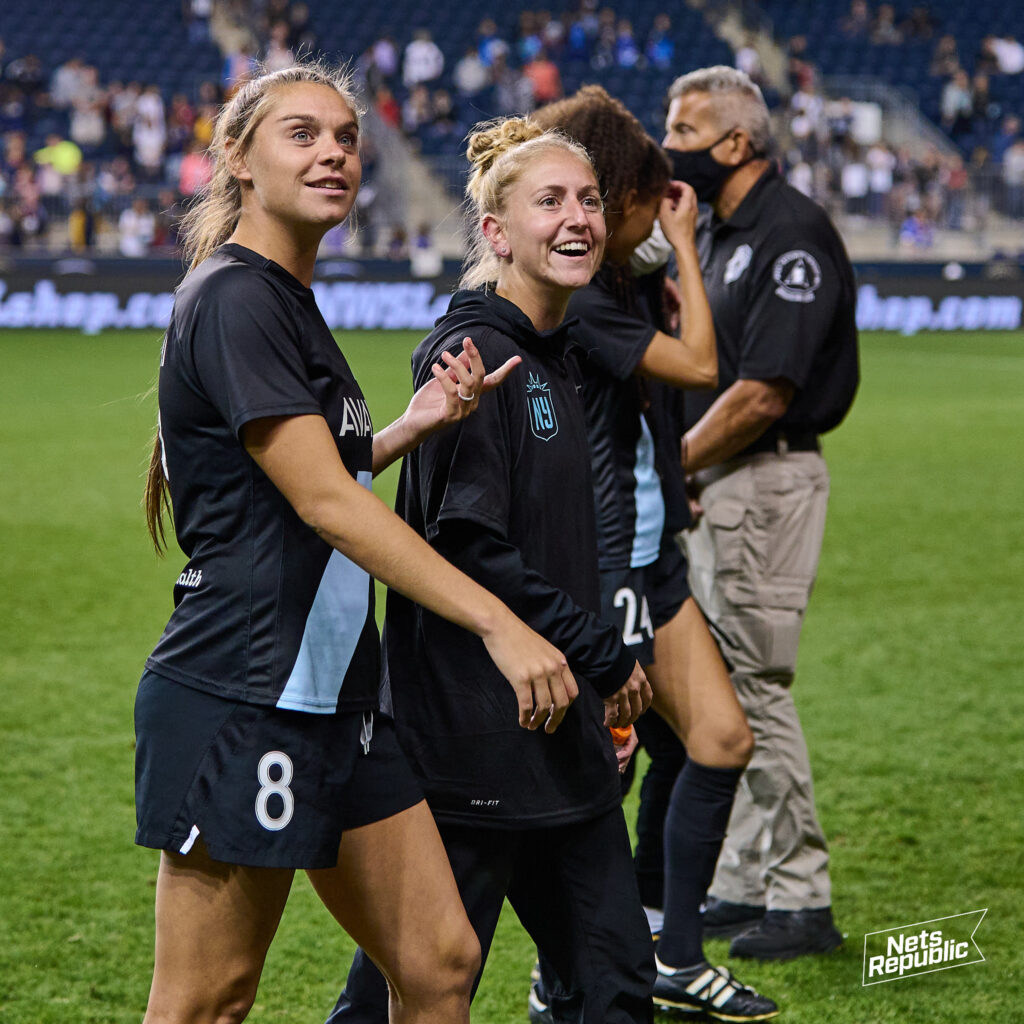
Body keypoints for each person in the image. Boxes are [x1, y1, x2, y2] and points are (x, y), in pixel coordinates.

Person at [135, 63, 584, 1024]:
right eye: (302, 134)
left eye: (345, 136)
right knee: (208, 1001)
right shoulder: (235, 297)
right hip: (245, 690)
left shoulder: (284, 300)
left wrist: (403, 431)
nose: (334, 152)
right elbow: (325, 506)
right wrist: (500, 624)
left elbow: (298, 479)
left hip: (336, 692)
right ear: (238, 160)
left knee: (438, 960)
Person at [328, 117, 654, 1024]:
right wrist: (604, 651)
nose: (577, 217)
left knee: (616, 983)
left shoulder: (554, 353)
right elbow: (471, 545)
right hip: (472, 734)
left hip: (559, 740)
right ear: (496, 233)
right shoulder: (474, 353)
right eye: (549, 200)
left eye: (587, 199)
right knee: (415, 989)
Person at [532, 84, 777, 1022]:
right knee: (600, 781)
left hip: (652, 551)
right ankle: (565, 972)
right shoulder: (585, 297)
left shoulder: (616, 280)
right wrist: (681, 246)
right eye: (640, 195)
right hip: (611, 566)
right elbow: (705, 368)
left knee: (712, 741)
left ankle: (664, 949)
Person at [662, 65, 858, 960]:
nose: (671, 143)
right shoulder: (728, 230)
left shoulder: (791, 234)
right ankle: (743, 882)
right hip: (726, 484)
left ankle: (802, 898)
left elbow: (762, 395)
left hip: (766, 481)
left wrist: (669, 465)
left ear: (737, 144)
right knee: (727, 685)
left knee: (755, 691)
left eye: (685, 129)